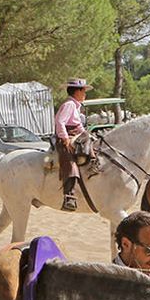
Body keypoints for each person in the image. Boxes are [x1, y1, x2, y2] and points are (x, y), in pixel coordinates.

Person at [53, 78, 91, 212]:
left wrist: (86, 134)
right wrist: (65, 139)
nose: (85, 94)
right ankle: (69, 196)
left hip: (76, 135)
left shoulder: (75, 106)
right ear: (77, 91)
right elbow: (60, 122)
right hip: (67, 137)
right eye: (83, 91)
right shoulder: (69, 104)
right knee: (69, 162)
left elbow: (78, 125)